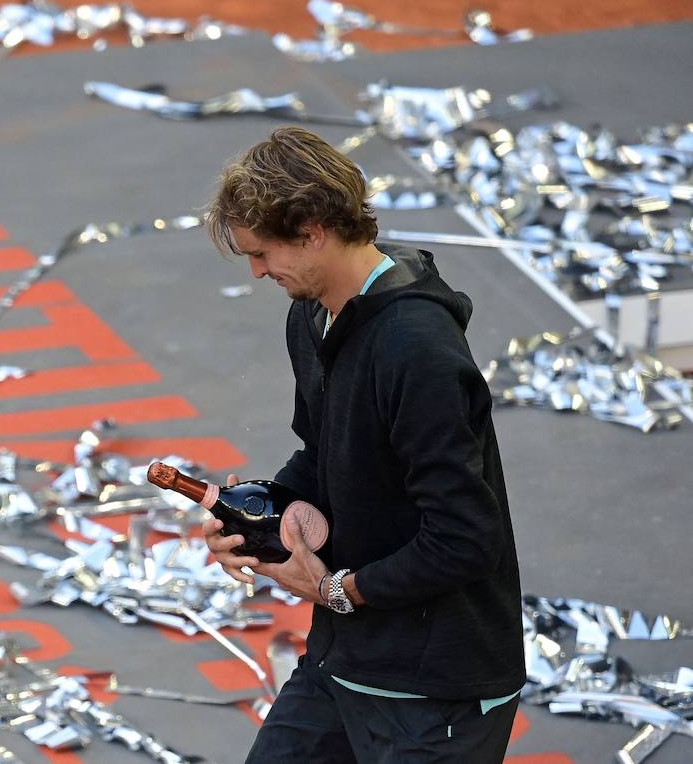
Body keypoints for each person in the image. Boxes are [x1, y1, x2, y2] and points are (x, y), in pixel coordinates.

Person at [201, 127, 524, 763]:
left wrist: (337, 590)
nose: (258, 271)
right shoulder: (313, 311)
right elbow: (325, 454)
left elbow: (464, 538)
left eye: (264, 252)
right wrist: (266, 510)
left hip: (436, 691)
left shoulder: (416, 351)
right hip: (343, 662)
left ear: (314, 229)